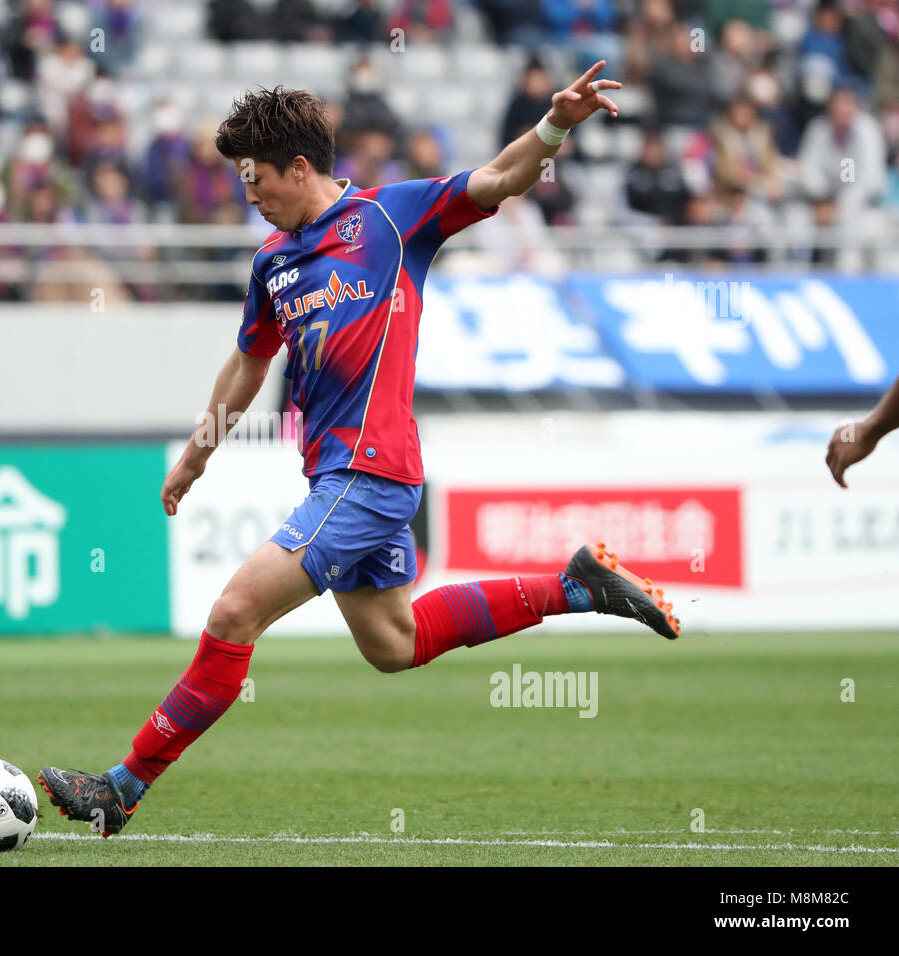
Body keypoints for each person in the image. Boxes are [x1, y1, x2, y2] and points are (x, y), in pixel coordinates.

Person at [38, 68, 681, 837]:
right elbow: (249, 361)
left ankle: (122, 785)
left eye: (257, 178)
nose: (249, 194)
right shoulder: (273, 261)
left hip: (371, 472)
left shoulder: (391, 218)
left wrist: (555, 126)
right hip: (338, 474)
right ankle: (575, 587)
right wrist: (197, 454)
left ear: (300, 168)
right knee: (392, 643)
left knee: (235, 612)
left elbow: (503, 178)